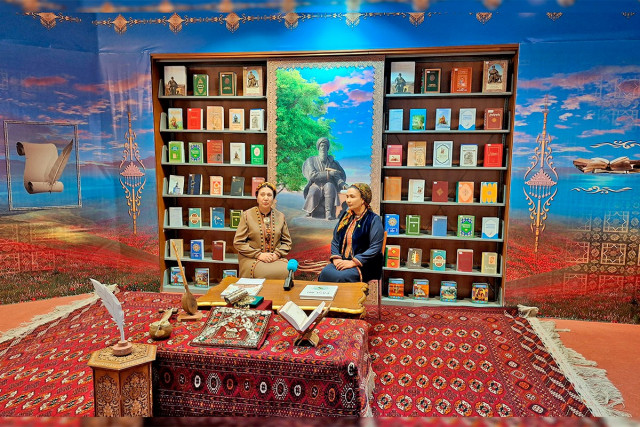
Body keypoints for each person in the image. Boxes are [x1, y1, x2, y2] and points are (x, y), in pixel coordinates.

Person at [318, 183, 384, 283]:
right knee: (325, 272)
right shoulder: (345, 217)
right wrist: (336, 259)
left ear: (363, 200)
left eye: (352, 197)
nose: (348, 200)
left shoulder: (373, 219)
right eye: (347, 196)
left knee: (341, 277)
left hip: (365, 265)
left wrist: (353, 262)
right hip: (343, 261)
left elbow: (375, 247)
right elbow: (335, 240)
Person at [233, 182, 292, 279]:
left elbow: (287, 243)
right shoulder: (247, 215)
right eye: (262, 194)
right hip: (251, 258)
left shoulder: (280, 217)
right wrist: (259, 255)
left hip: (274, 259)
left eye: (269, 195)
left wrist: (277, 255)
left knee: (287, 271)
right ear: (257, 197)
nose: (266, 198)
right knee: (264, 272)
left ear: (273, 199)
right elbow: (238, 242)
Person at [302, 137, 348, 220]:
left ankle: (328, 213)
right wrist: (329, 174)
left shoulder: (333, 162)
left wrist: (343, 184)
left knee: (329, 186)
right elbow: (312, 175)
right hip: (316, 184)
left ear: (327, 148)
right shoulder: (311, 160)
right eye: (321, 146)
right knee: (313, 190)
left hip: (328, 184)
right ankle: (310, 211)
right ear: (318, 148)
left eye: (325, 146)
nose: (323, 148)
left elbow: (338, 176)